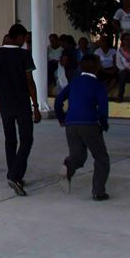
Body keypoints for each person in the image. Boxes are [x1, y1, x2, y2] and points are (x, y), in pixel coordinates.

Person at [0, 23, 41, 196]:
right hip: (22, 103)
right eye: (25, 38)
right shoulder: (24, 55)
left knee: (10, 140)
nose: (25, 41)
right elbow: (30, 82)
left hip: (5, 104)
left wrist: (2, 94)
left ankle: (14, 174)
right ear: (18, 37)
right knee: (26, 139)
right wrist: (36, 106)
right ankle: (15, 174)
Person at [55, 56, 111, 201]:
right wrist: (103, 125)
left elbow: (58, 100)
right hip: (89, 123)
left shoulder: (74, 82)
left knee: (78, 156)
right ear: (97, 67)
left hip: (71, 123)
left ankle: (69, 165)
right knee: (101, 158)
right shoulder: (98, 85)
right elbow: (103, 110)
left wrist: (62, 119)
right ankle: (98, 192)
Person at [115, 33, 130, 102]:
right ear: (123, 41)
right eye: (126, 39)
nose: (128, 41)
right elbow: (118, 63)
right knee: (122, 76)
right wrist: (127, 69)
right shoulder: (119, 51)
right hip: (124, 69)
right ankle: (120, 96)